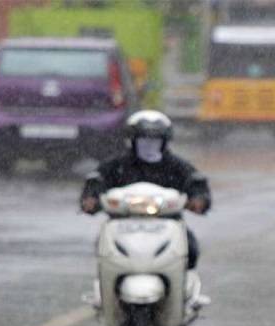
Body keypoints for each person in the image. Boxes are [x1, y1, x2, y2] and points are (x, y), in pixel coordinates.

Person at [80, 110, 211, 310]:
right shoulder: (117, 166)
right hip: (123, 224)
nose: (149, 145)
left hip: (167, 224)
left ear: (164, 142)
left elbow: (196, 183)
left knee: (191, 249)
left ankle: (186, 293)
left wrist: (198, 199)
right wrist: (90, 199)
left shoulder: (176, 166)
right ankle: (105, 295)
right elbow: (96, 181)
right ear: (132, 141)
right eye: (143, 139)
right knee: (102, 247)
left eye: (155, 140)